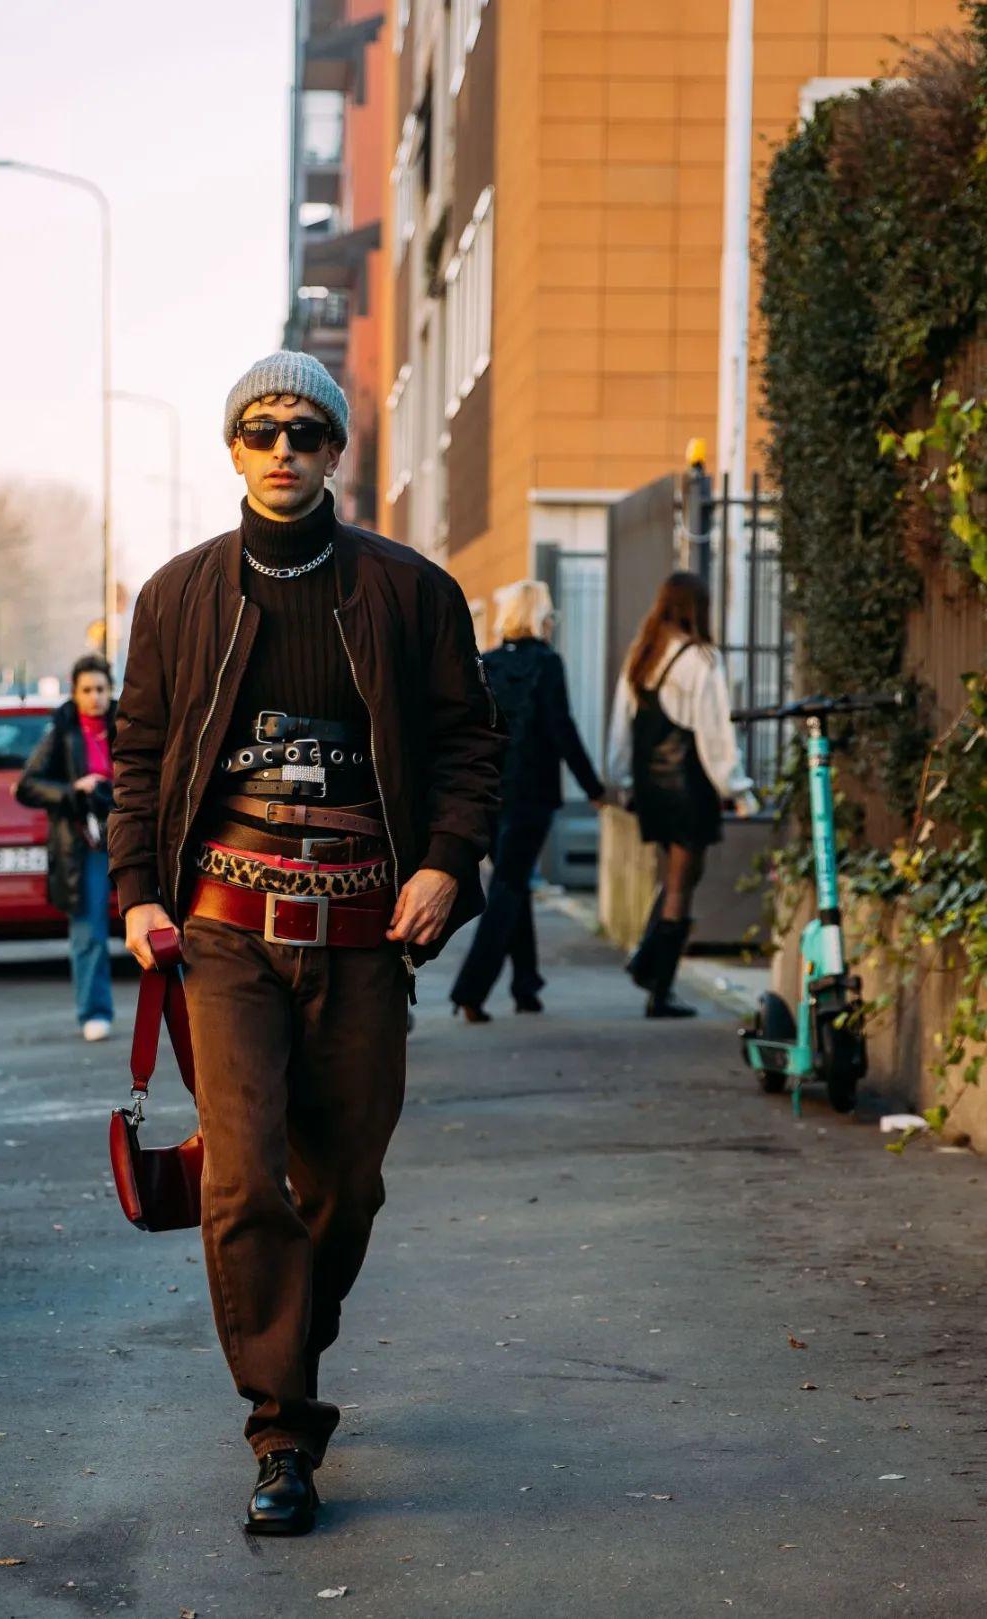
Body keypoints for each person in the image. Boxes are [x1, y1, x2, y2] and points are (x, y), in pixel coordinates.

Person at [108, 351, 501, 1536]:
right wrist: (136, 891)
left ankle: (293, 1324)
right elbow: (136, 756)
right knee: (241, 1170)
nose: (284, 446)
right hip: (223, 927)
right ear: (234, 449)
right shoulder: (176, 595)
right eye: (261, 427)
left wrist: (447, 859)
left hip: (364, 925)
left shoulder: (414, 592)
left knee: (349, 1180)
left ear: (337, 451)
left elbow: (472, 744)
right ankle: (282, 1428)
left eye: (307, 429)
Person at [449, 579, 604, 1022]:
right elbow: (562, 730)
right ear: (541, 616)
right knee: (510, 887)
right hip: (532, 796)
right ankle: (470, 991)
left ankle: (526, 985)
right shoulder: (548, 664)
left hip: (491, 790)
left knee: (512, 883)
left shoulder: (487, 663)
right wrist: (593, 788)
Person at [606, 572, 757, 1019]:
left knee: (673, 878)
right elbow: (715, 735)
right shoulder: (701, 660)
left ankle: (647, 962)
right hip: (688, 787)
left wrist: (621, 779)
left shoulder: (643, 654)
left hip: (651, 787)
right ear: (698, 607)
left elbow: (621, 726)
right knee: (681, 884)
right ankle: (659, 988)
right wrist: (737, 788)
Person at [16, 654, 117, 1041]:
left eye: (102, 689)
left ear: (111, 690)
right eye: (87, 690)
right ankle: (94, 1012)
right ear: (75, 693)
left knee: (160, 925)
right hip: (83, 841)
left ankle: (181, 1009)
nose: (95, 697)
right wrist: (73, 790)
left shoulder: (127, 725)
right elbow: (28, 784)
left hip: (128, 834)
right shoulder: (63, 730)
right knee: (89, 931)